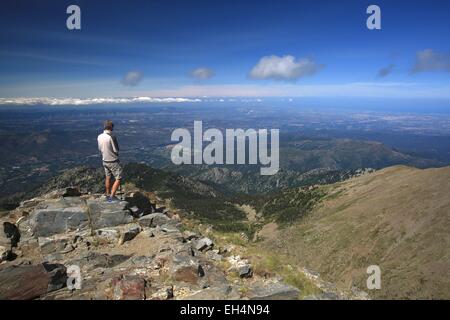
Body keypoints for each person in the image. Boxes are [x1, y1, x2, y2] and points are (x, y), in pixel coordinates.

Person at [97, 120, 123, 202]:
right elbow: (116, 150)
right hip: (113, 161)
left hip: (104, 160)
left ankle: (107, 194)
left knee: (108, 177)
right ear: (111, 127)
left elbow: (100, 149)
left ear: (104, 127)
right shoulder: (112, 137)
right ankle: (111, 197)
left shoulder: (99, 136)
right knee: (118, 178)